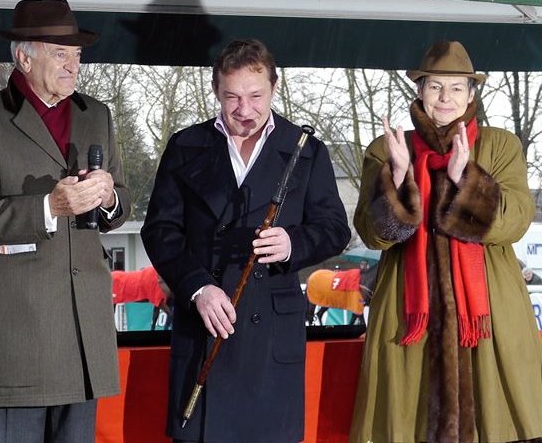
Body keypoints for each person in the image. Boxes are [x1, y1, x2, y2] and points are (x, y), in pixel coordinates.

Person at [141, 38, 350, 443]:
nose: (244, 110)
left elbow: (335, 229)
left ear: (274, 87)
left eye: (256, 96)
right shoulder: (186, 147)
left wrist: (293, 244)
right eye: (232, 97)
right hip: (205, 325)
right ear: (215, 91)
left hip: (271, 336)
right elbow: (160, 231)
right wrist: (198, 287)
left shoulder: (306, 151)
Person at [0, 0, 130, 442]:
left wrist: (107, 197)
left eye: (77, 55)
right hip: (17, 344)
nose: (73, 66)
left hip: (85, 336)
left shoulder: (98, 116)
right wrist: (49, 207)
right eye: (60, 53)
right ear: (23, 56)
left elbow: (122, 203)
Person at [349, 41, 542, 443]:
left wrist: (466, 182)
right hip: (408, 313)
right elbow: (373, 233)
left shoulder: (500, 146)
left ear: (471, 94)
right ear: (420, 91)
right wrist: (400, 178)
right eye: (436, 86)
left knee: (494, 423)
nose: (445, 98)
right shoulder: (386, 148)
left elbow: (516, 220)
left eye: (456, 88)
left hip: (488, 312)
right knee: (407, 421)